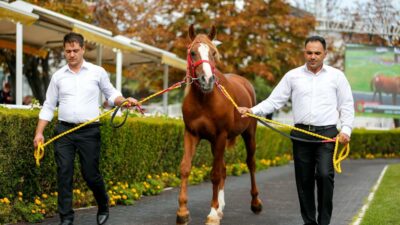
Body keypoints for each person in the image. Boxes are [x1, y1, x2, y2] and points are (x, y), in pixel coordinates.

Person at [238, 36, 354, 225]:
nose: (313, 57)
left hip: (326, 135)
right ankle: (309, 222)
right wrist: (252, 110)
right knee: (304, 181)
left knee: (325, 175)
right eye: (309, 53)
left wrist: (346, 130)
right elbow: (274, 101)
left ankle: (324, 222)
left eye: (317, 53)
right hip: (300, 134)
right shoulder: (292, 76)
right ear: (304, 53)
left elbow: (346, 105)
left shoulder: (337, 76)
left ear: (325, 54)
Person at [33, 32, 138, 225]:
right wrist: (39, 133)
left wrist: (123, 101)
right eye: (67, 51)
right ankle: (66, 217)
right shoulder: (58, 76)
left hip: (89, 132)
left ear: (83, 49)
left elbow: (111, 94)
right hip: (64, 131)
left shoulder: (97, 72)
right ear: (64, 51)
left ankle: (103, 204)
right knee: (64, 172)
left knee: (90, 174)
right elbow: (48, 105)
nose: (71, 54)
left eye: (75, 50)